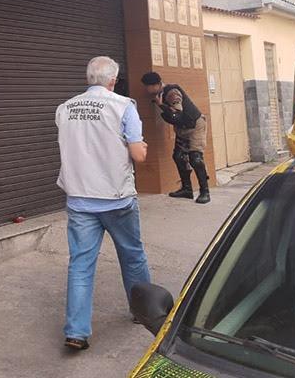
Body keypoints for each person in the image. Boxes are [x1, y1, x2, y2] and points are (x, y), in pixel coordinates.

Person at [56, 56, 152, 351]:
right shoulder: (123, 106)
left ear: (89, 79)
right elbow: (138, 155)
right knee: (132, 256)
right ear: (113, 80)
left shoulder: (65, 108)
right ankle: (144, 312)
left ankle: (76, 332)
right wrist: (141, 146)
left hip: (79, 199)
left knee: (80, 265)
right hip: (116, 198)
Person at [140, 72, 210, 204]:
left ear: (156, 85)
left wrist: (161, 105)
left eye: (147, 86)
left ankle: (205, 192)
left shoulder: (172, 93)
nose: (146, 89)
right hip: (182, 128)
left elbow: (177, 114)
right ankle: (187, 189)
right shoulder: (160, 94)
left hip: (195, 126)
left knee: (195, 158)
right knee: (178, 156)